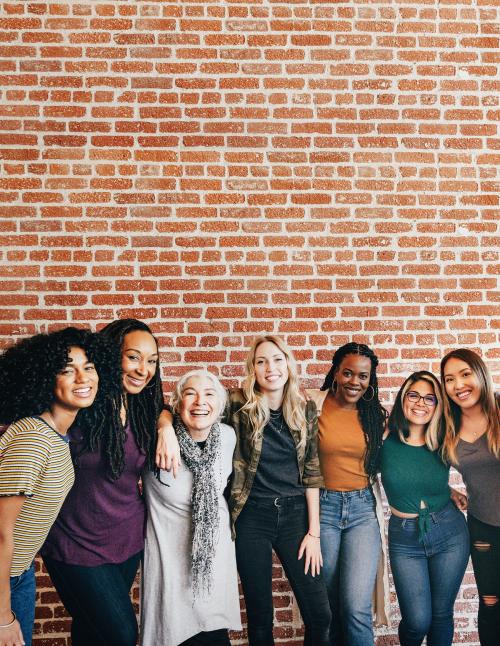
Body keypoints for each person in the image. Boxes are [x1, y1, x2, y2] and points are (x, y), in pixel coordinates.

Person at [157, 335, 332, 646]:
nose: (270, 368)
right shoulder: (236, 404)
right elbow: (191, 410)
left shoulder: (303, 409)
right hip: (252, 517)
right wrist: (165, 427)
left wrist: (314, 532)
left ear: (288, 365)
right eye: (261, 361)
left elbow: (313, 472)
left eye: (277, 359)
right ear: (253, 368)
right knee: (260, 615)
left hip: (295, 517)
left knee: (320, 615)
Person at [41, 319, 164, 646]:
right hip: (74, 541)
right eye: (134, 357)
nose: (143, 370)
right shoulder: (80, 402)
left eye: (151, 361)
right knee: (121, 634)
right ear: (111, 357)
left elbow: (168, 409)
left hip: (126, 540)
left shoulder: (144, 408)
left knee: (91, 630)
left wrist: (165, 426)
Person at [0, 327, 115, 646]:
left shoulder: (56, 436)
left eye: (89, 367)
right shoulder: (35, 440)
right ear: (44, 379)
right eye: (67, 370)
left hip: (17, 573)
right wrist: (2, 617)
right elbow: (0, 531)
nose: (83, 377)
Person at [141, 369, 241, 646]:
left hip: (214, 559)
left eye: (209, 395)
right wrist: (164, 427)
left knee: (214, 634)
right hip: (169, 561)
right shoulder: (156, 440)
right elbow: (149, 407)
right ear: (177, 404)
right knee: (175, 634)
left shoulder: (228, 437)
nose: (200, 402)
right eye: (190, 394)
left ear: (220, 406)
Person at [306, 342, 389, 645]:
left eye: (363, 376)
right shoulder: (312, 404)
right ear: (336, 372)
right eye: (348, 373)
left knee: (356, 607)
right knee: (327, 608)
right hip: (323, 510)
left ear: (371, 380)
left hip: (362, 510)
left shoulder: (374, 416)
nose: (355, 382)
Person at [380, 370, 470, 646]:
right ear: (403, 398)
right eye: (414, 395)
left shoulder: (445, 439)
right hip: (405, 538)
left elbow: (481, 468)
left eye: (429, 398)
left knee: (441, 616)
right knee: (417, 620)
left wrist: (451, 491)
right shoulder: (383, 438)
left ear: (438, 406)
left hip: (450, 532)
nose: (421, 403)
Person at [441, 349, 500, 646]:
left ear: (480, 374)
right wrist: (447, 491)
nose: (458, 385)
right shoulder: (445, 426)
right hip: (483, 526)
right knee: (491, 604)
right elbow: (419, 465)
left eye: (465, 374)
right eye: (449, 379)